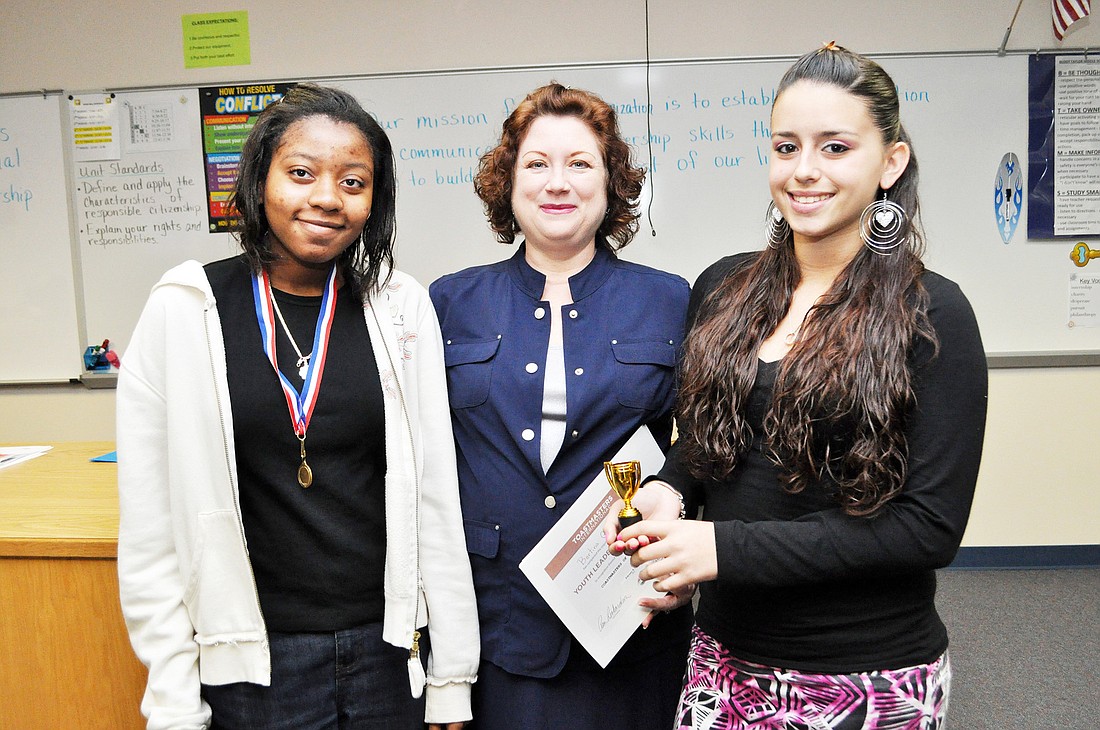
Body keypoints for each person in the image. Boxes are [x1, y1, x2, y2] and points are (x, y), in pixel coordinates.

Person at [606, 44, 988, 729]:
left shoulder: (934, 315)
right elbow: (701, 443)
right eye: (786, 147)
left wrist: (720, 548)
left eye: (835, 147)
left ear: (890, 162)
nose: (804, 171)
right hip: (721, 661)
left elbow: (927, 529)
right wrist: (665, 493)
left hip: (865, 676)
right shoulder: (724, 286)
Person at [116, 83, 479, 730]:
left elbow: (435, 500)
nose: (326, 198)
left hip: (387, 654)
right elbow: (151, 528)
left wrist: (450, 672)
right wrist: (171, 696)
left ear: (374, 202)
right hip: (255, 666)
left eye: (353, 181)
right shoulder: (185, 308)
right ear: (260, 182)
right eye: (302, 173)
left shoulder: (399, 308)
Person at [429, 83, 693, 730]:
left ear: (611, 184)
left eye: (580, 163)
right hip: (496, 619)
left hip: (626, 612)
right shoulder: (449, 303)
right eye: (537, 163)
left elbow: (708, 443)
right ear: (508, 181)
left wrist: (683, 523)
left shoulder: (670, 300)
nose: (558, 182)